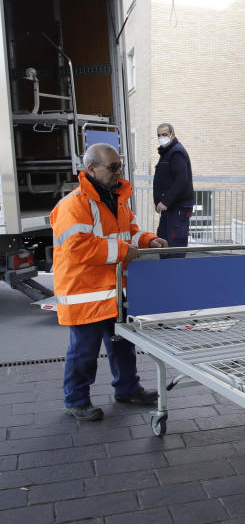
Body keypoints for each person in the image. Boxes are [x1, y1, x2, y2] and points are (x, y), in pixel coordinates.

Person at [52, 143, 168, 421]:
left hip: (113, 291)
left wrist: (148, 239)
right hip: (86, 293)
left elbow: (129, 232)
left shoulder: (117, 199)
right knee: (84, 352)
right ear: (90, 169)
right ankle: (76, 400)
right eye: (113, 167)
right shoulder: (73, 205)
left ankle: (128, 389)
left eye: (120, 166)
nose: (119, 172)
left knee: (122, 344)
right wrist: (123, 251)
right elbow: (77, 247)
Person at [153, 123, 194, 258]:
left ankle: (175, 275)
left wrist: (165, 201)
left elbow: (181, 180)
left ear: (172, 135)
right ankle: (166, 274)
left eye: (164, 135)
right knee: (163, 242)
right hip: (169, 209)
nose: (161, 138)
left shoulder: (176, 152)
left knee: (175, 245)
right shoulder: (166, 153)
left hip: (177, 208)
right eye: (159, 135)